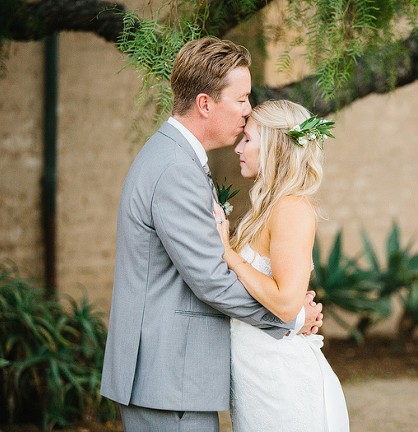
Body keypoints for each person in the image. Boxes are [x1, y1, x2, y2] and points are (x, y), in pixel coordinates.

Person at [100, 37, 323, 431]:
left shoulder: (176, 158)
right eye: (241, 100)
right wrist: (289, 319)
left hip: (172, 378)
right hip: (169, 378)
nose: (248, 111)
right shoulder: (175, 168)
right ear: (206, 104)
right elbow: (211, 280)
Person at [214, 99, 348, 431]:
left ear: (273, 147)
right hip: (259, 375)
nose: (237, 148)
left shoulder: (291, 209)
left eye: (248, 139)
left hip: (280, 381)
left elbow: (288, 303)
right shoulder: (266, 208)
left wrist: (227, 253)